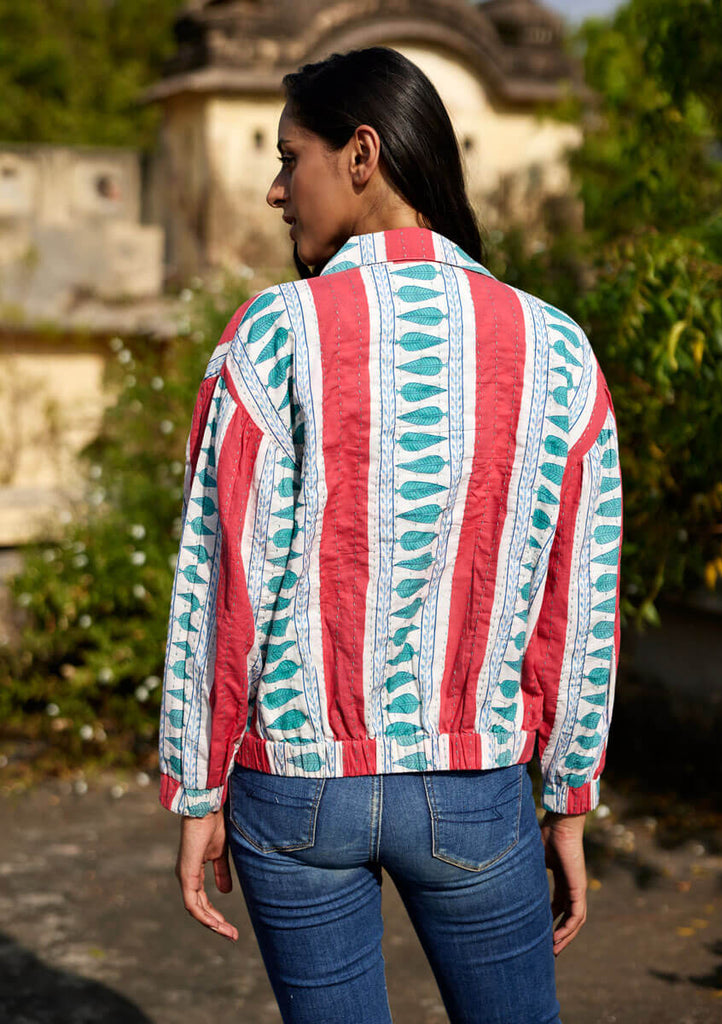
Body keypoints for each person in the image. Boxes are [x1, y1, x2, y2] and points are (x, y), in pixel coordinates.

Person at [158, 46, 622, 1024]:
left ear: (361, 154)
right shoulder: (556, 348)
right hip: (474, 789)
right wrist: (568, 795)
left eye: (290, 159)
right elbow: (579, 603)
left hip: (296, 790)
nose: (277, 190)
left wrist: (196, 787)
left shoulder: (272, 333)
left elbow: (221, 582)